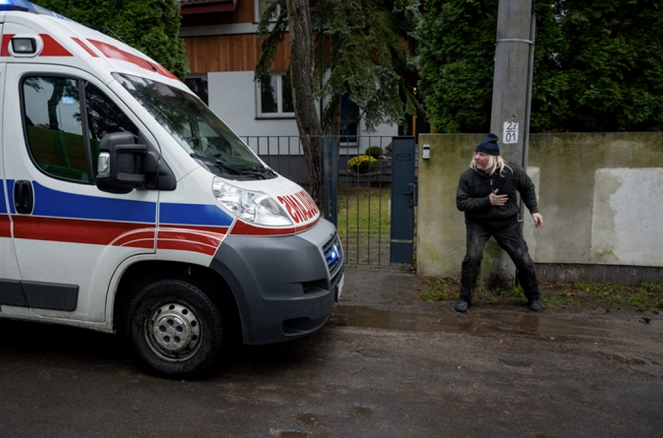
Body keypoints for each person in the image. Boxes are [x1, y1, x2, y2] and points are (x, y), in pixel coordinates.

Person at [454, 133, 544, 313]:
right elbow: (461, 203)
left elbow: (527, 188)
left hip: (507, 224)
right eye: (476, 153)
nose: (477, 157)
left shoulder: (511, 172)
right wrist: (487, 201)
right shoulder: (468, 177)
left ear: (493, 157)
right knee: (472, 258)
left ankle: (534, 297)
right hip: (478, 223)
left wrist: (534, 210)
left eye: (482, 154)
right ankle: (465, 298)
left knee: (523, 259)